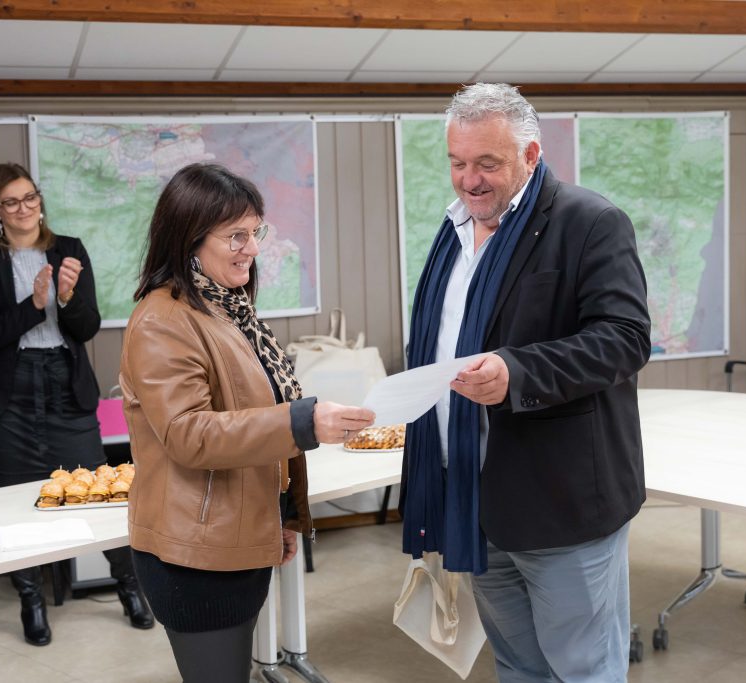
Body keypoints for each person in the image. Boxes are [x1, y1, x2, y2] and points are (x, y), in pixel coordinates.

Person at [401, 83, 652, 682]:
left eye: (487, 164)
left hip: (561, 500)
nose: (469, 180)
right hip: (474, 496)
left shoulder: (590, 222)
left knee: (583, 669)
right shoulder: (453, 231)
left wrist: (518, 372)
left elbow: (625, 338)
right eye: (458, 163)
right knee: (517, 665)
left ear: (531, 154)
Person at [120, 162, 375, 681]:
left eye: (256, 232)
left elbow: (249, 417)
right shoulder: (162, 321)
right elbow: (190, 434)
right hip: (195, 554)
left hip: (234, 537)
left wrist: (278, 516)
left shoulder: (228, 310)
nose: (253, 248)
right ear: (189, 239)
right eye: (236, 236)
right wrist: (303, 423)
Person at [0, 162, 154, 647]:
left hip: (65, 384)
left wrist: (67, 297)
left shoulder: (69, 249)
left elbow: (87, 327)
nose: (24, 209)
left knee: (98, 491)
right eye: (11, 202)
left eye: (30, 197)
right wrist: (33, 305)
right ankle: (30, 598)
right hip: (8, 393)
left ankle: (128, 587)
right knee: (15, 502)